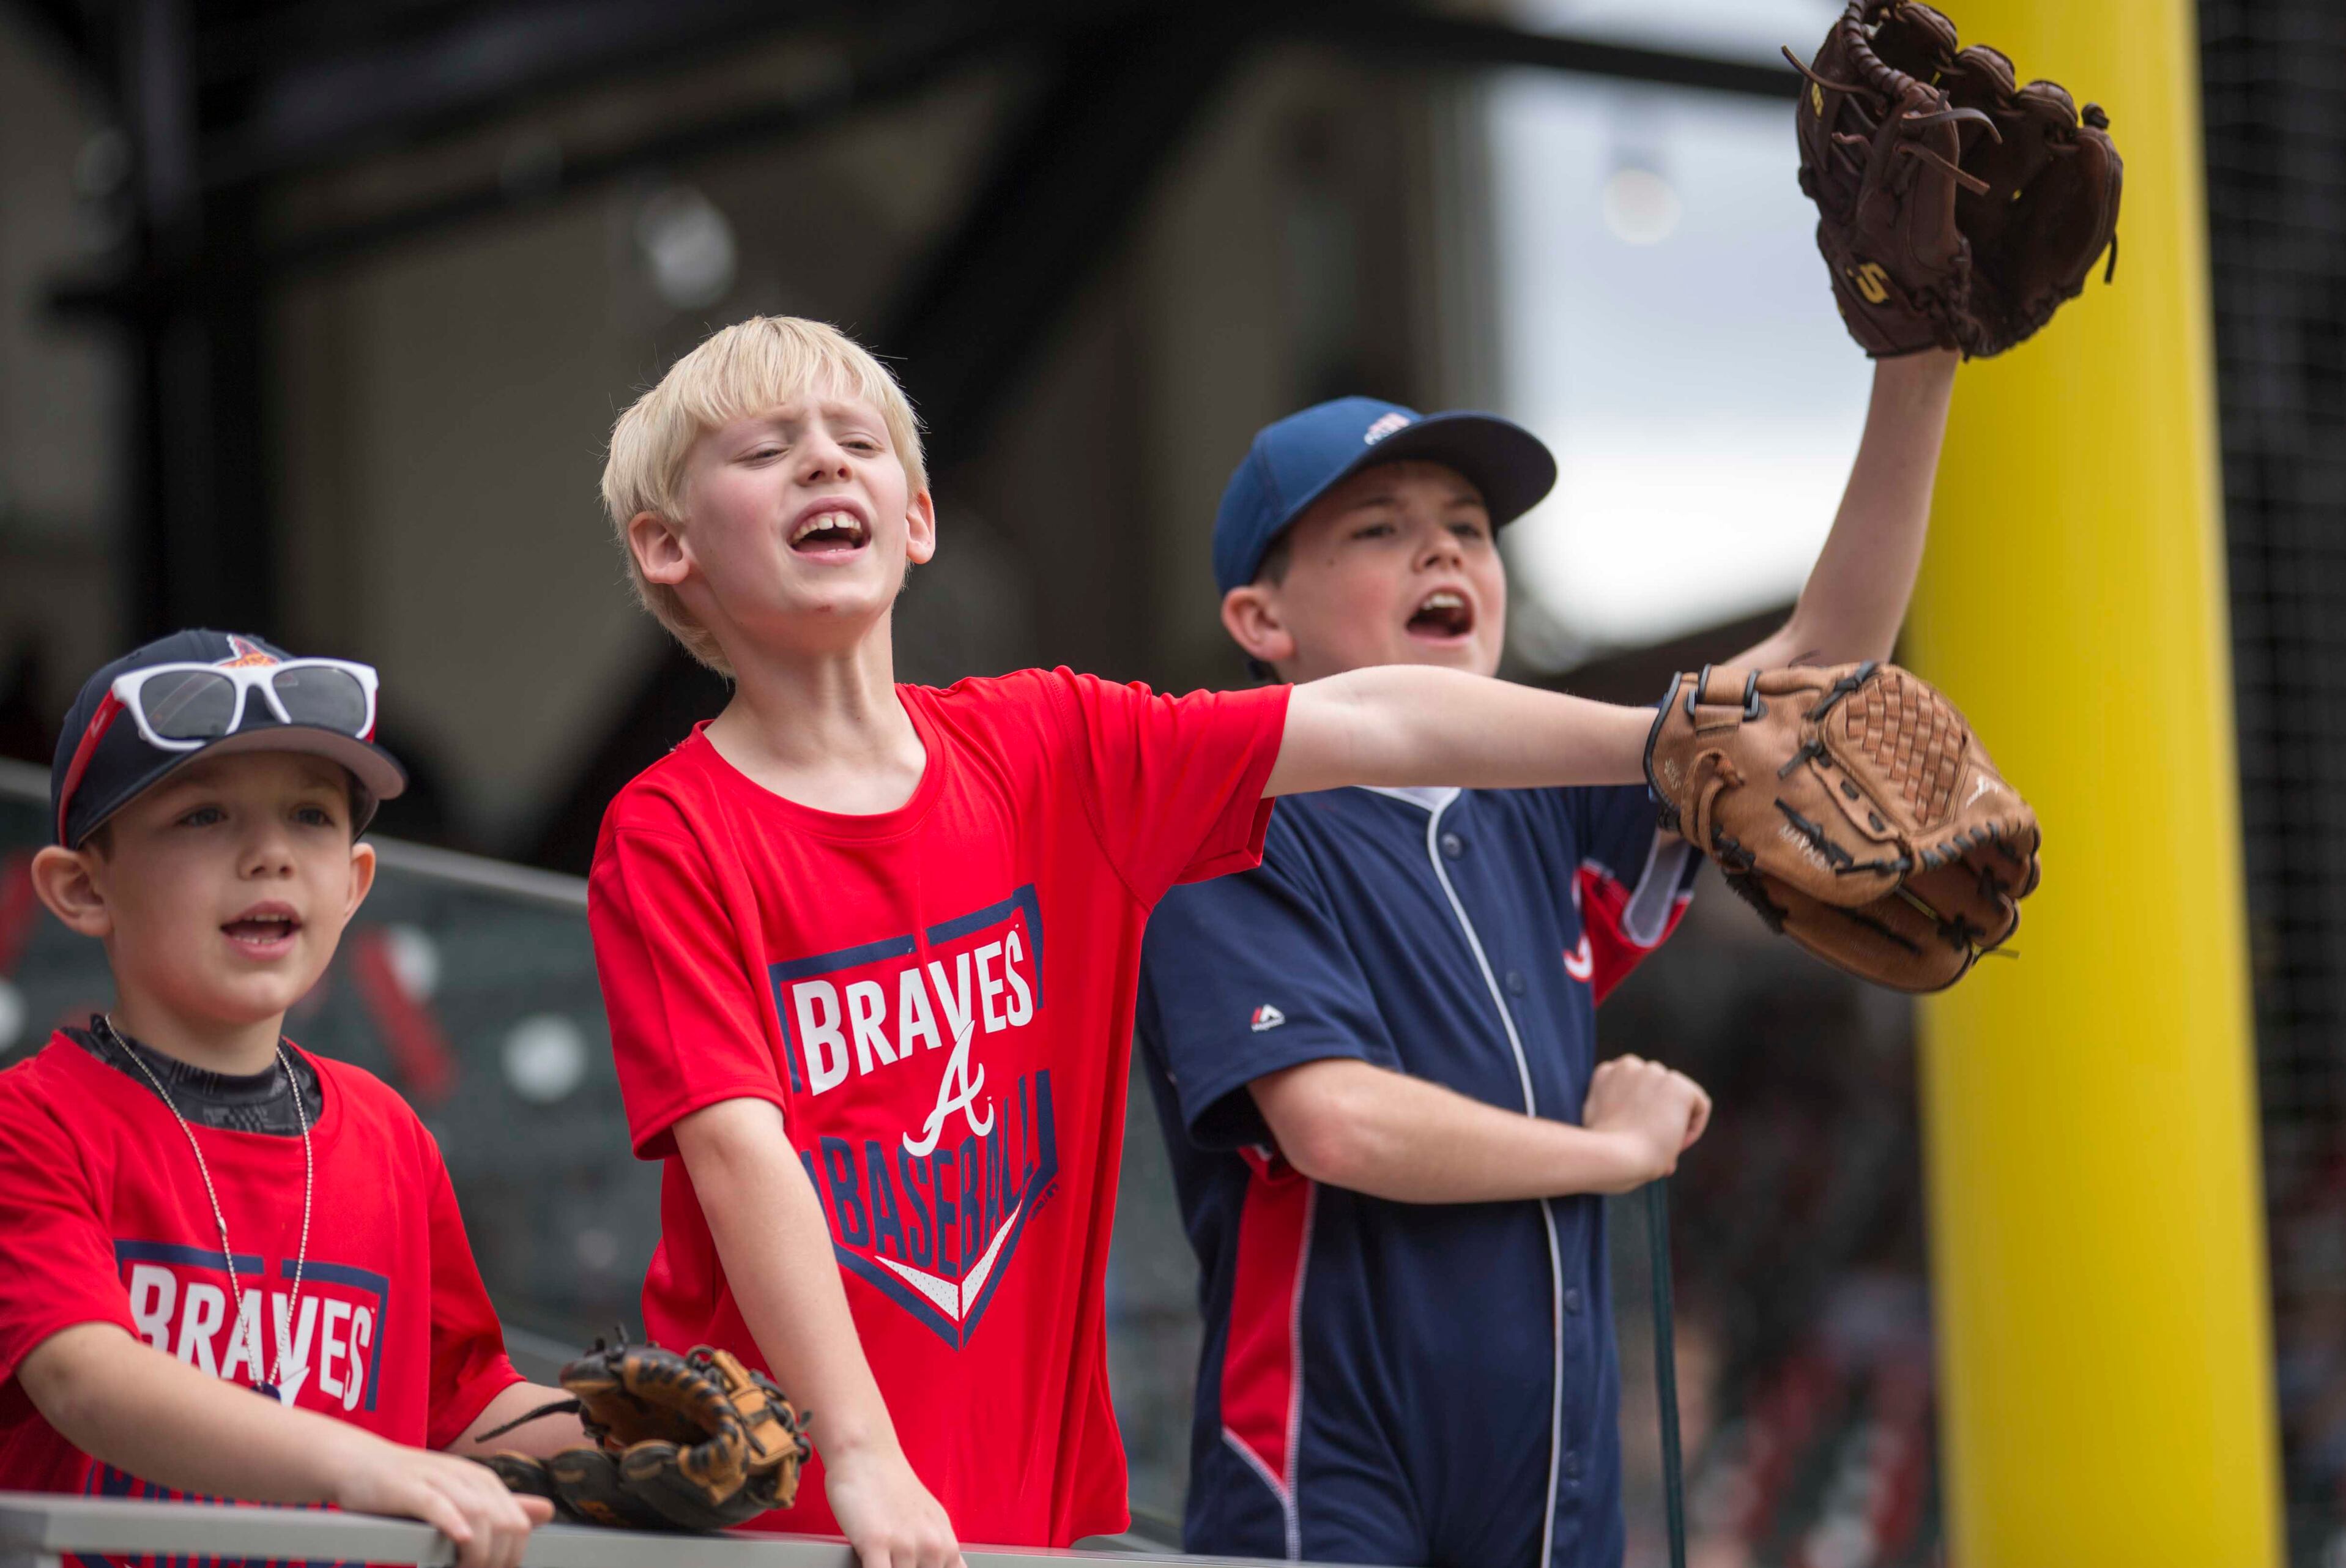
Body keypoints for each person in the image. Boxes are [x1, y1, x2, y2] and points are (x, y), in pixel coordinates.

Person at [582, 315, 1770, 1568]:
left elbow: (1377, 724)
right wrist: (863, 1455)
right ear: (667, 546)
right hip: (794, 1512)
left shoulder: (1049, 748)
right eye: (767, 449)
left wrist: (1672, 737)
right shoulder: (669, 831)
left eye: (858, 440)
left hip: (1020, 1512)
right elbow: (739, 1153)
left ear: (918, 517)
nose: (823, 463)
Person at [1132, 357, 1958, 1568]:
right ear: (1263, 621)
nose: (1446, 553)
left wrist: (1919, 371)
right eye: (1380, 528)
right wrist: (1608, 1153)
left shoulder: (1544, 800)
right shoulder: (1220, 820)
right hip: (1329, 1466)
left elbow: (1806, 688)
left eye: (1469, 528)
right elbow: (1337, 1125)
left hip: (1558, 1463)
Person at [0, 631, 585, 1568]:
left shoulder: (391, 1135)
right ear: (81, 889)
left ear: (354, 884)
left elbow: (464, 1407)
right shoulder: (31, 1124)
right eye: (203, 817)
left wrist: (622, 1439)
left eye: (311, 816)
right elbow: (85, 1380)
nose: (270, 853)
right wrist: (357, 1465)